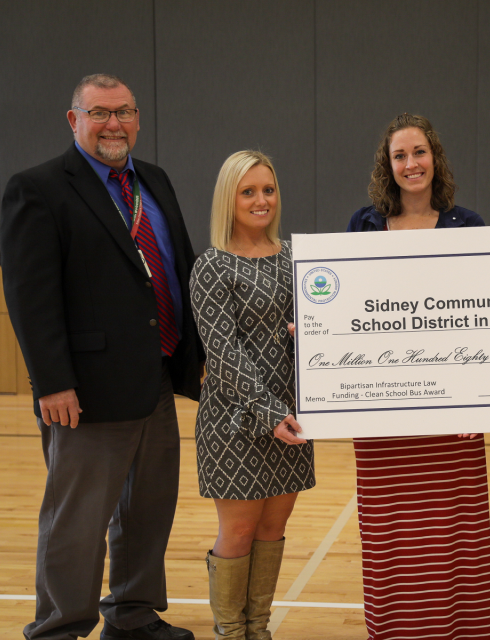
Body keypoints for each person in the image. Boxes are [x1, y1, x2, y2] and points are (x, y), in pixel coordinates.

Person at [0, 74, 203, 640]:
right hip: (85, 390)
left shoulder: (153, 180)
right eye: (99, 113)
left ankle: (133, 615)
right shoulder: (39, 188)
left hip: (155, 375)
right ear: (74, 120)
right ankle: (59, 627)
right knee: (78, 518)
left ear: (137, 119)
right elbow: (30, 296)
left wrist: (195, 354)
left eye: (124, 112)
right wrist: (51, 382)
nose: (114, 124)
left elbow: (179, 267)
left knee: (148, 508)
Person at [345, 113, 490, 640]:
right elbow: (348, 307)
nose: (411, 163)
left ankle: (464, 629)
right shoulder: (364, 225)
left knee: (454, 529)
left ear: (435, 158)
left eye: (419, 152)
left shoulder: (469, 225)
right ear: (387, 165)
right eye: (400, 155)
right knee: (390, 531)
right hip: (383, 416)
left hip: (453, 419)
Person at [190, 150, 315, 640]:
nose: (261, 200)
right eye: (248, 192)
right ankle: (229, 632)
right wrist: (268, 412)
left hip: (293, 421)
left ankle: (257, 630)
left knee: (271, 529)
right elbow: (222, 353)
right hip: (234, 422)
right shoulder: (212, 266)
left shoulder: (297, 258)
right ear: (229, 198)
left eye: (268, 190)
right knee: (239, 531)